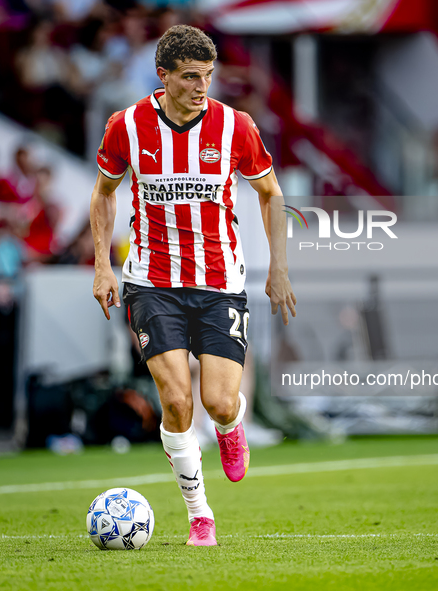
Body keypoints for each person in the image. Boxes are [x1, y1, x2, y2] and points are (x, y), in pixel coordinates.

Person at [90, 25, 296, 546]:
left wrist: (278, 269)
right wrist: (101, 265)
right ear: (163, 76)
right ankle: (199, 515)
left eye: (207, 75)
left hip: (220, 281)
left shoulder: (236, 127)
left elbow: (272, 195)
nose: (201, 86)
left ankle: (231, 428)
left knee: (220, 402)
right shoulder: (127, 126)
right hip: (151, 283)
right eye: (189, 77)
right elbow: (103, 195)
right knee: (178, 402)